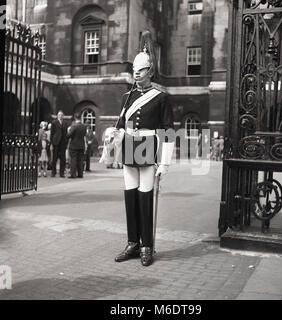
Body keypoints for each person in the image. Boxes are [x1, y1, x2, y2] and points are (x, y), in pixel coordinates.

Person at [111, 31, 175, 267]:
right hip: (129, 146)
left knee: (145, 197)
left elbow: (168, 130)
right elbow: (121, 124)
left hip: (148, 146)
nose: (136, 75)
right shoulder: (127, 96)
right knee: (130, 197)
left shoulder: (160, 97)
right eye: (134, 71)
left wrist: (165, 162)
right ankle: (132, 243)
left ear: (150, 71)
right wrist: (114, 135)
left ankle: (147, 244)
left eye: (141, 71)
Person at [67, 112, 87, 178]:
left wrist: (68, 131)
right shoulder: (84, 126)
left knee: (73, 160)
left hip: (74, 145)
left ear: (75, 118)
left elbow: (69, 135)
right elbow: (84, 134)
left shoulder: (74, 126)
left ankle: (73, 174)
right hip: (81, 145)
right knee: (80, 160)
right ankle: (80, 174)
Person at [50, 110, 68, 177]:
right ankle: (53, 172)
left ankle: (61, 173)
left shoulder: (65, 123)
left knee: (63, 159)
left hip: (63, 143)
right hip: (56, 142)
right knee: (54, 158)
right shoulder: (54, 122)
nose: (60, 116)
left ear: (63, 116)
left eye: (61, 115)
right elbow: (52, 133)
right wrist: (52, 142)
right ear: (57, 116)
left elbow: (66, 133)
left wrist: (66, 142)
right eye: (59, 115)